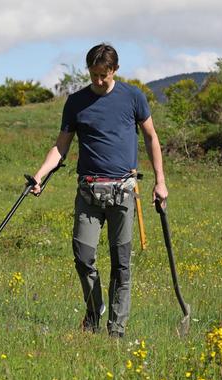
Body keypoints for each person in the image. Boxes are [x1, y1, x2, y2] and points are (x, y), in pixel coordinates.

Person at [31, 43, 168, 338]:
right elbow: (61, 146)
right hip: (89, 194)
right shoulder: (76, 102)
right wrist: (40, 175)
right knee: (82, 255)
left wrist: (160, 181)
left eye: (103, 75)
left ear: (115, 70)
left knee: (121, 265)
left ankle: (116, 329)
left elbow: (151, 137)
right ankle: (95, 311)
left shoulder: (133, 97)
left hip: (122, 193)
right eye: (93, 75)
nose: (97, 81)